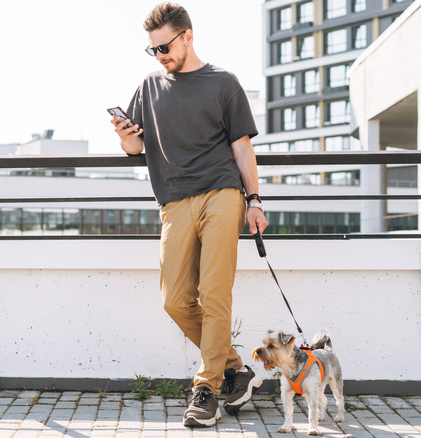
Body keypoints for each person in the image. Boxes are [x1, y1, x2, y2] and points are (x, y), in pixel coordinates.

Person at [110, 2, 268, 428]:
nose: (160, 55)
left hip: (222, 193)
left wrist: (254, 200)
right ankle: (235, 368)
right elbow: (135, 150)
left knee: (215, 293)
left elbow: (241, 148)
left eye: (165, 47)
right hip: (174, 200)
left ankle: (207, 389)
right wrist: (125, 136)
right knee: (175, 299)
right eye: (153, 50)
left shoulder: (223, 83)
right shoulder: (148, 87)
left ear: (188, 36)